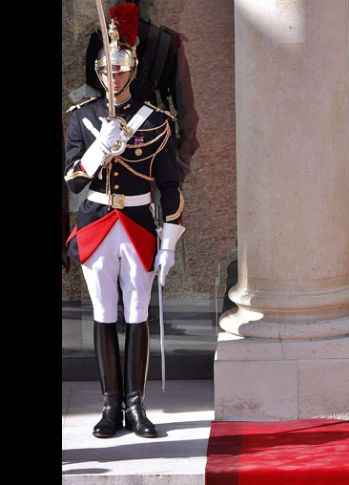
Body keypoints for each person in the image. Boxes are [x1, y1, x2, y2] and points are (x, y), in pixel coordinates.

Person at [64, 5, 185, 439]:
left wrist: (169, 242)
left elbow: (170, 186)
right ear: (98, 72)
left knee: (136, 315)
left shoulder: (155, 121)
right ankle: (109, 407)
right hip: (97, 222)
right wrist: (99, 151)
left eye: (119, 72)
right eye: (106, 72)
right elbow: (73, 180)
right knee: (103, 313)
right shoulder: (81, 117)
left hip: (136, 222)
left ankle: (137, 407)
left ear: (130, 73)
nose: (113, 79)